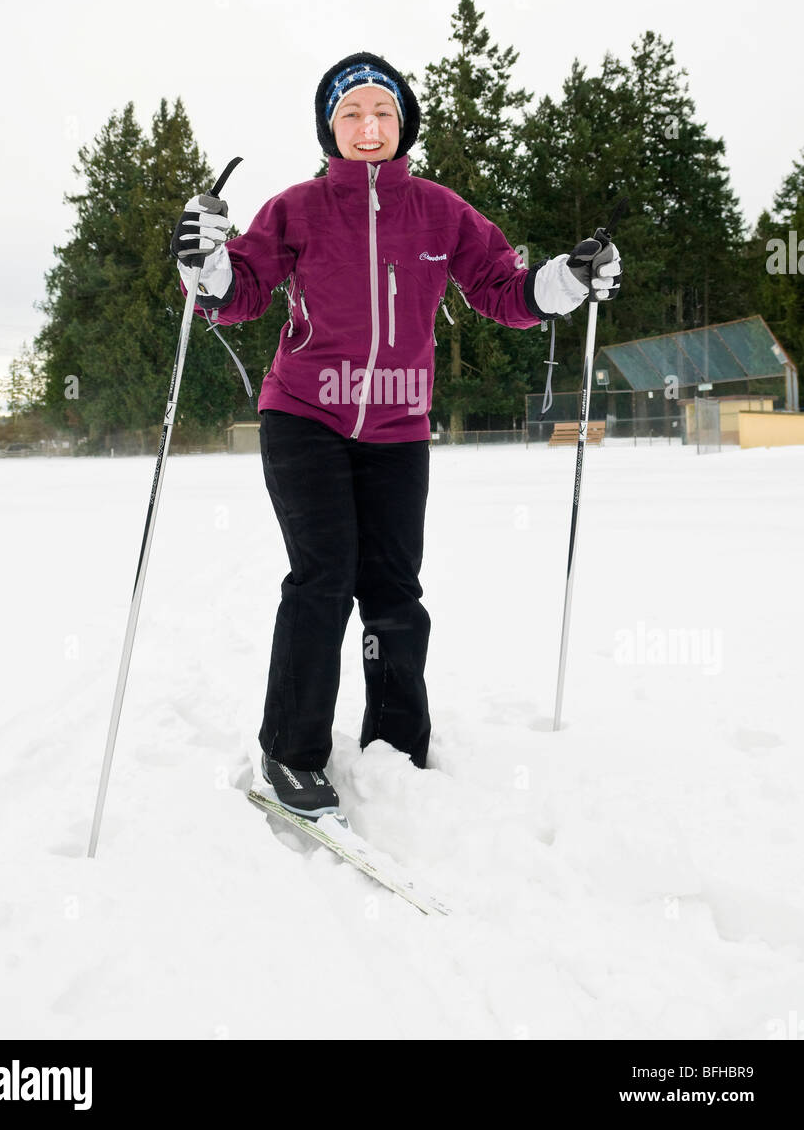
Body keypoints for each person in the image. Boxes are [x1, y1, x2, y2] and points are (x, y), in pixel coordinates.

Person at [171, 51, 621, 817]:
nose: (368, 126)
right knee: (323, 580)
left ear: (402, 122)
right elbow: (238, 292)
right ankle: (291, 753)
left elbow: (505, 292)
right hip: (304, 414)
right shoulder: (297, 209)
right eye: (350, 114)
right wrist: (203, 264)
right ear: (330, 129)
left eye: (381, 111)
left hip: (397, 424)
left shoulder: (441, 212)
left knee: (393, 592)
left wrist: (568, 280)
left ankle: (397, 742)